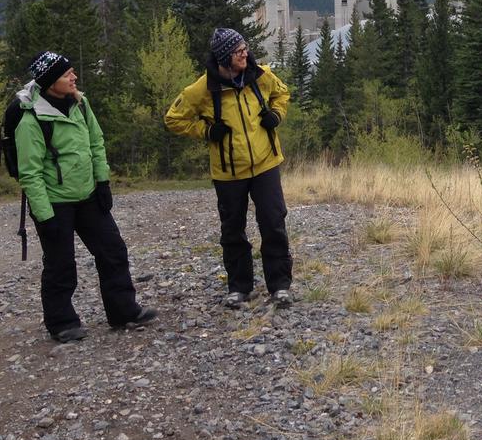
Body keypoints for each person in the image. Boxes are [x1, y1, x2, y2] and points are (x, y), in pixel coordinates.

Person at [16, 51, 157, 342]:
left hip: (89, 195)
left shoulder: (80, 104)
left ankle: (123, 312)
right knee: (60, 263)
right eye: (67, 74)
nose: (74, 77)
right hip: (55, 202)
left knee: (113, 251)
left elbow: (96, 141)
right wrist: (45, 216)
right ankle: (62, 323)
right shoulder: (31, 121)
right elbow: (29, 174)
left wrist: (102, 181)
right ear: (51, 80)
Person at [164, 27, 294, 309]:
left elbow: (282, 95)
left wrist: (276, 115)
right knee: (233, 230)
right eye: (238, 51)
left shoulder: (261, 75)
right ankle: (239, 287)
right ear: (224, 58)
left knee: (273, 223)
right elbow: (173, 119)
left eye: (244, 47)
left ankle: (280, 285)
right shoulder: (202, 89)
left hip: (265, 164)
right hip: (228, 172)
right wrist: (206, 131)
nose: (244, 53)